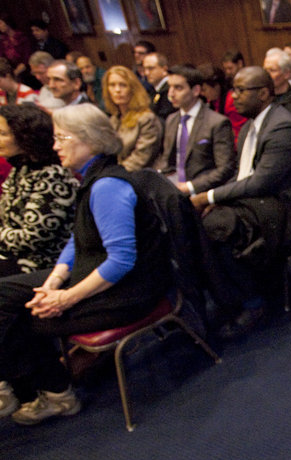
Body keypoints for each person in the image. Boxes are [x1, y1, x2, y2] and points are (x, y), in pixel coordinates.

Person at [0, 104, 170, 425]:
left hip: (131, 291)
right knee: (6, 293)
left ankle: (54, 394)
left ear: (90, 140)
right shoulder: (92, 177)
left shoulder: (107, 186)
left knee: (24, 317)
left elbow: (121, 261)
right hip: (102, 274)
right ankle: (29, 387)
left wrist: (66, 297)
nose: (55, 146)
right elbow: (79, 238)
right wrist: (54, 280)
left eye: (62, 138)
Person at [189, 66, 291, 338]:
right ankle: (230, 293)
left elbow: (261, 183)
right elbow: (240, 174)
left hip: (288, 209)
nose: (233, 96)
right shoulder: (249, 125)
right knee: (202, 220)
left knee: (216, 226)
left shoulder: (282, 127)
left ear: (263, 93)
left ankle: (252, 302)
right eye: (233, 89)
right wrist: (217, 198)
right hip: (259, 202)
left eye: (241, 90)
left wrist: (208, 196)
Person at [0, 104, 79, 276]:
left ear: (25, 138)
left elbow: (33, 238)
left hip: (40, 265)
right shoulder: (21, 169)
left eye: (3, 134)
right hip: (12, 258)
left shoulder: (53, 176)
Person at [155, 64, 236, 195]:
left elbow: (225, 169)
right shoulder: (171, 120)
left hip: (200, 190)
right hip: (173, 186)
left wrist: (190, 187)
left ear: (196, 90)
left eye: (178, 88)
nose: (171, 93)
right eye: (170, 87)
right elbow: (167, 160)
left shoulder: (217, 122)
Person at [103, 66, 163, 171]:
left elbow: (141, 157)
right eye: (112, 85)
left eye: (123, 85)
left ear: (132, 89)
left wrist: (115, 174)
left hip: (140, 176)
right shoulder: (113, 120)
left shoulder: (146, 118)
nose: (117, 90)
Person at [197, 63, 246, 143]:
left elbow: (240, 136)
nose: (201, 94)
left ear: (216, 86)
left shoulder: (232, 102)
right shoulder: (212, 101)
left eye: (204, 90)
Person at [143, 52, 177, 121]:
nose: (146, 73)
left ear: (164, 69)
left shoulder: (170, 89)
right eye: (145, 69)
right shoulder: (153, 90)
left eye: (151, 68)